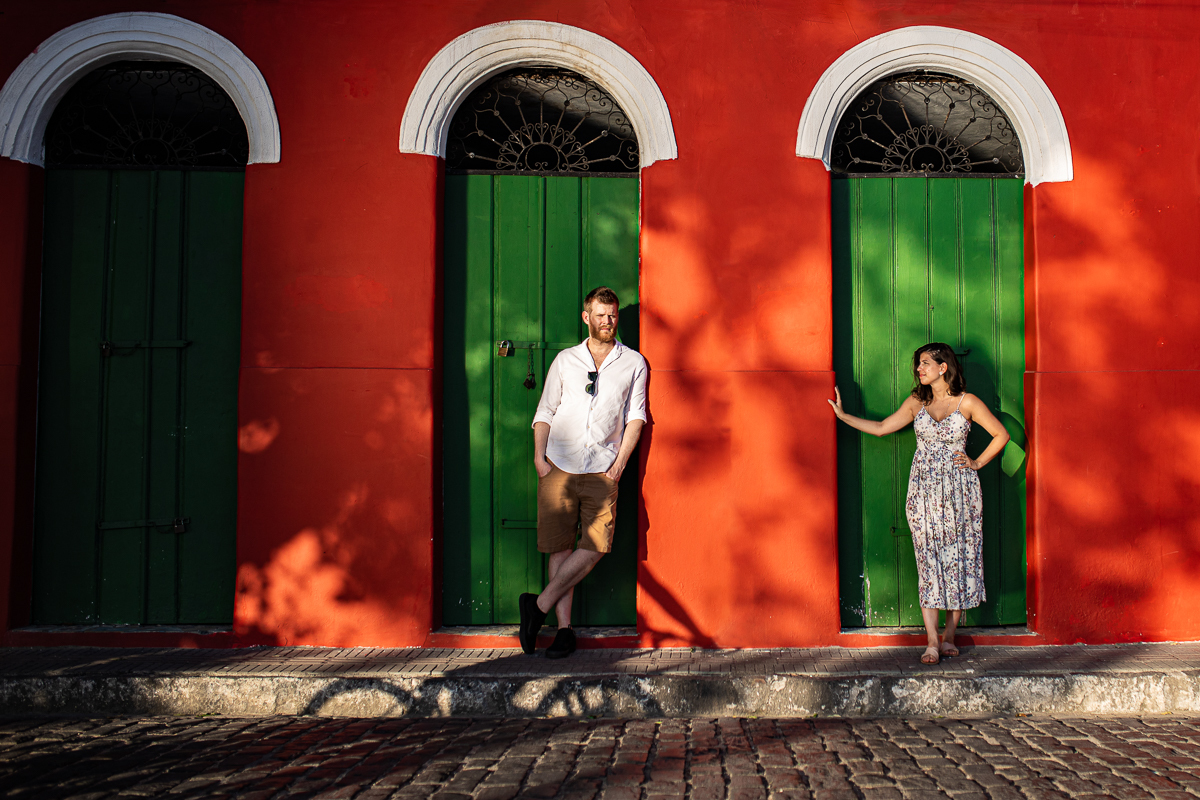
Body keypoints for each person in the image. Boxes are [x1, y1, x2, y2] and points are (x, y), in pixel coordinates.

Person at [828, 343, 1010, 665]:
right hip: (924, 493)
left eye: (925, 363)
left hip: (960, 493)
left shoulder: (967, 402)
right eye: (918, 364)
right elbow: (883, 428)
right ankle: (931, 640)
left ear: (943, 367)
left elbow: (1001, 434)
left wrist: (977, 463)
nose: (919, 369)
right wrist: (843, 417)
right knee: (929, 561)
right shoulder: (917, 402)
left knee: (959, 559)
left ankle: (950, 636)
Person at [519, 286, 648, 658]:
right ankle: (563, 629)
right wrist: (539, 460)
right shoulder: (565, 360)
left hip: (602, 468)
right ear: (586, 317)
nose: (608, 321)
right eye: (601, 314)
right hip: (558, 464)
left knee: (595, 547)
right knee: (559, 546)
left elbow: (635, 417)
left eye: (613, 315)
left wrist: (619, 465)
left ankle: (537, 606)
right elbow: (545, 411)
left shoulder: (633, 363)